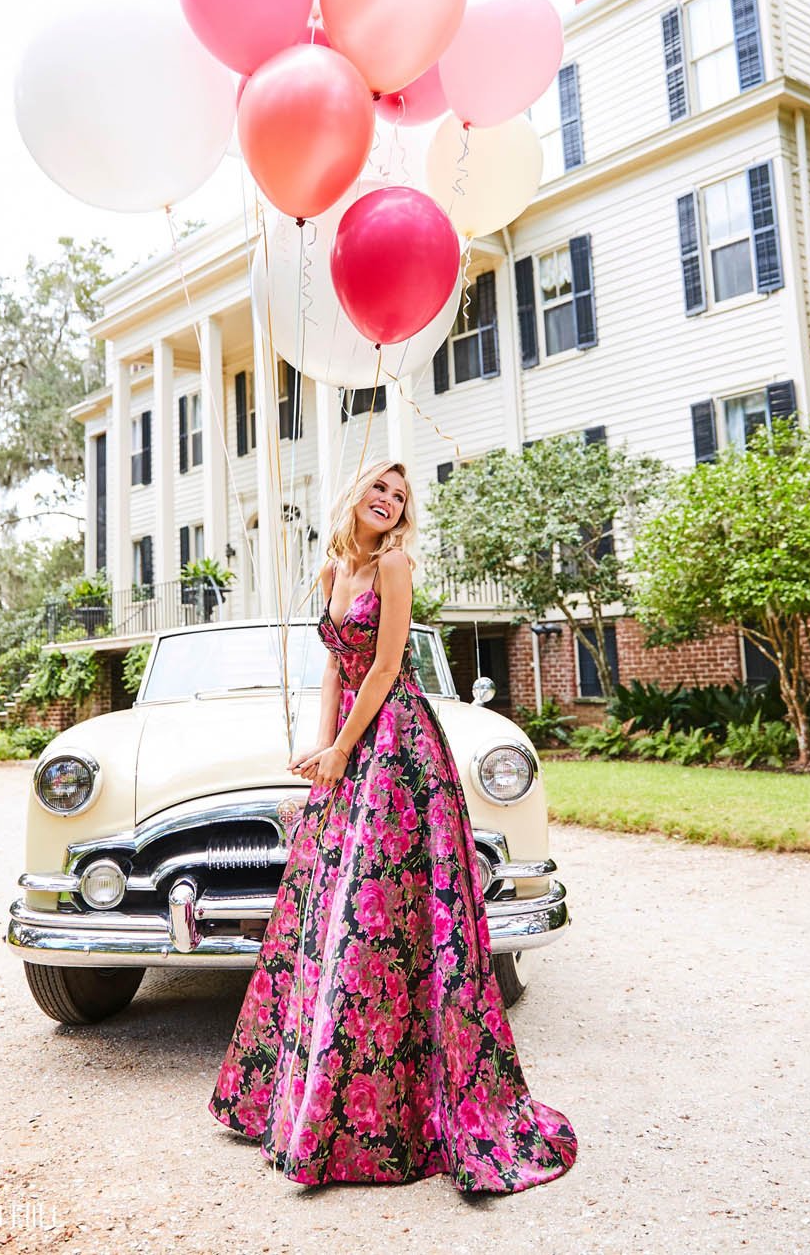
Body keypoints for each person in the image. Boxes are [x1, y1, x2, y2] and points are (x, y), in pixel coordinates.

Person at [208, 458, 577, 1193]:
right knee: (331, 908)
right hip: (348, 741)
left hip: (398, 748)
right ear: (356, 491)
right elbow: (336, 671)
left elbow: (381, 668)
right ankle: (318, 1097)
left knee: (380, 911)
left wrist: (344, 748)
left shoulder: (394, 564)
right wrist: (321, 745)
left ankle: (389, 1108)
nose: (389, 499)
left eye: (401, 494)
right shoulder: (333, 568)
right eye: (381, 486)